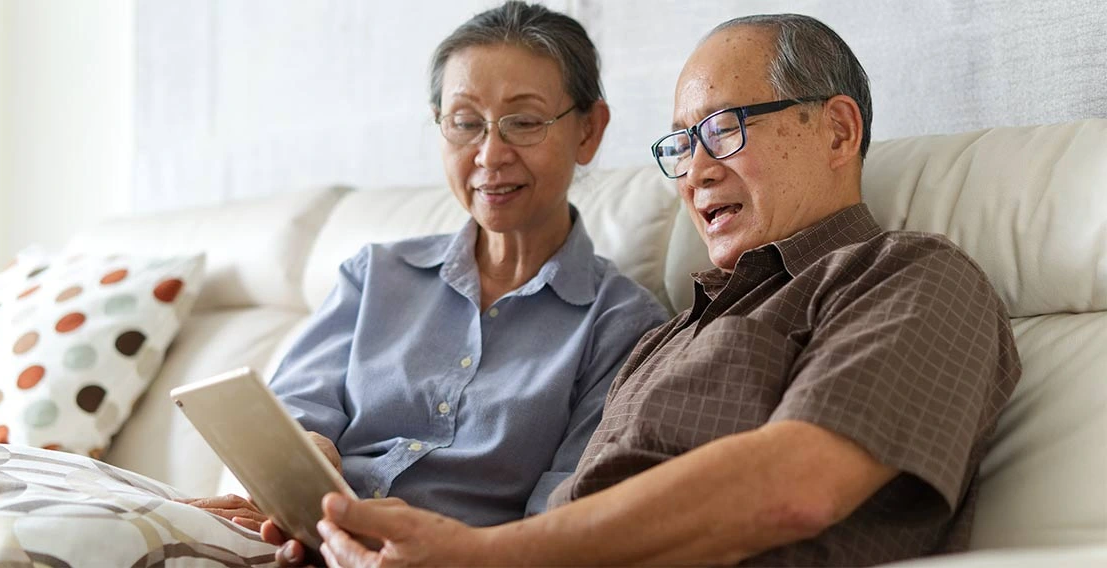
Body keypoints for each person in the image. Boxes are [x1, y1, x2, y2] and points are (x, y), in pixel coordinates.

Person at [278, 13, 1022, 567]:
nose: (694, 172)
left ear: (836, 129)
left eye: (724, 129)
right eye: (680, 144)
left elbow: (798, 485)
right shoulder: (670, 332)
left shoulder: (907, 275)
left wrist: (487, 556)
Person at [182, 0, 667, 533]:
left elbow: (560, 518)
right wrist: (299, 459)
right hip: (304, 536)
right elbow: (294, 412)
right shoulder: (375, 275)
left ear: (589, 130)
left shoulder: (622, 323)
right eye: (464, 123)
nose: (489, 155)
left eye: (523, 122)